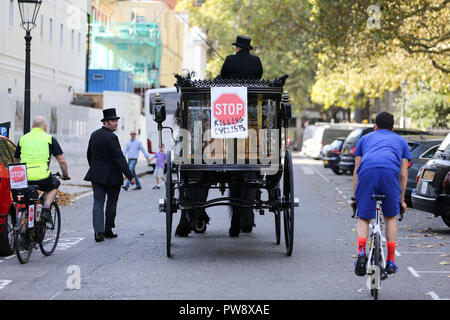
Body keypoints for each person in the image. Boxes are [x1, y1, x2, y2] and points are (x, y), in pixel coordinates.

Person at [175, 35, 263, 238]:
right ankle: (239, 222)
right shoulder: (256, 62)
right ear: (248, 49)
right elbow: (258, 78)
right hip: (247, 115)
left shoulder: (230, 61)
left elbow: (222, 79)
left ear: (237, 49)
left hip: (227, 114)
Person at [350, 111, 410, 276]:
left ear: (375, 126)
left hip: (368, 174)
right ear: (393, 128)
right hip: (390, 174)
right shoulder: (401, 142)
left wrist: (354, 198)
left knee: (363, 218)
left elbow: (356, 170)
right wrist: (401, 200)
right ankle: (391, 260)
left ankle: (361, 252)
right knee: (390, 217)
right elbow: (403, 174)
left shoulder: (364, 139)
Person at [84, 108, 135, 242]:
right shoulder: (112, 137)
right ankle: (108, 230)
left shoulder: (94, 135)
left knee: (98, 203)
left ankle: (98, 233)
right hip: (112, 177)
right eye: (113, 121)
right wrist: (130, 176)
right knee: (111, 203)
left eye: (116, 121)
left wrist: (94, 168)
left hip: (96, 176)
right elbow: (119, 158)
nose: (116, 123)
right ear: (106, 122)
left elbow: (89, 154)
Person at [13, 116, 70, 222]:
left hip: (24, 178)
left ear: (32, 126)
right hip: (42, 177)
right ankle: (46, 208)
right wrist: (65, 175)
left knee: (25, 202)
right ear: (45, 127)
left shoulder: (23, 139)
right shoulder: (49, 139)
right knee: (54, 184)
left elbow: (16, 159)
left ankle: (22, 232)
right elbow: (62, 161)